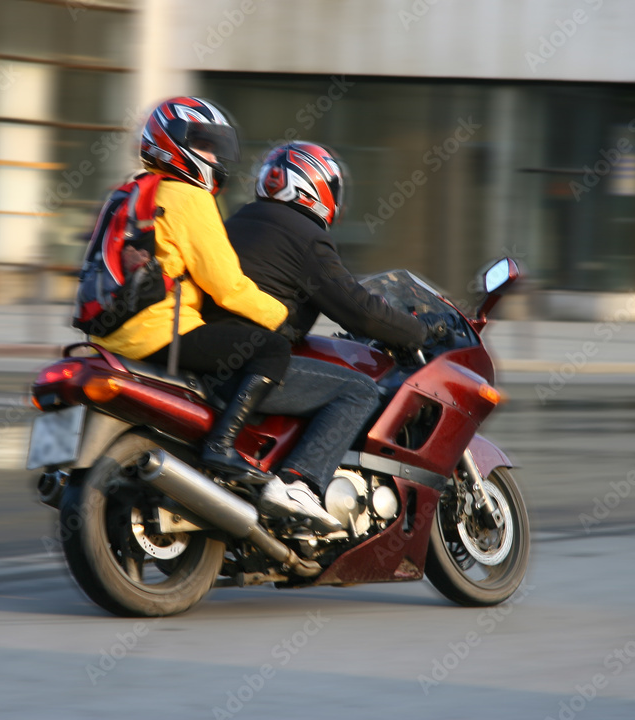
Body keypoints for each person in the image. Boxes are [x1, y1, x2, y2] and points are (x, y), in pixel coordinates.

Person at [206, 141, 446, 531]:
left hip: (210, 352)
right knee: (358, 391)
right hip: (250, 363)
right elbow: (358, 308)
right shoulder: (304, 236)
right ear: (314, 188)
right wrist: (419, 331)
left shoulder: (238, 222)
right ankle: (299, 483)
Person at [91, 96, 292, 483]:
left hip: (112, 336)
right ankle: (221, 445)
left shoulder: (131, 191)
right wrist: (279, 317)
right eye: (204, 144)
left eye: (215, 146)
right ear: (173, 143)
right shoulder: (189, 196)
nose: (214, 157)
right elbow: (227, 287)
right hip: (161, 334)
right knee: (271, 348)